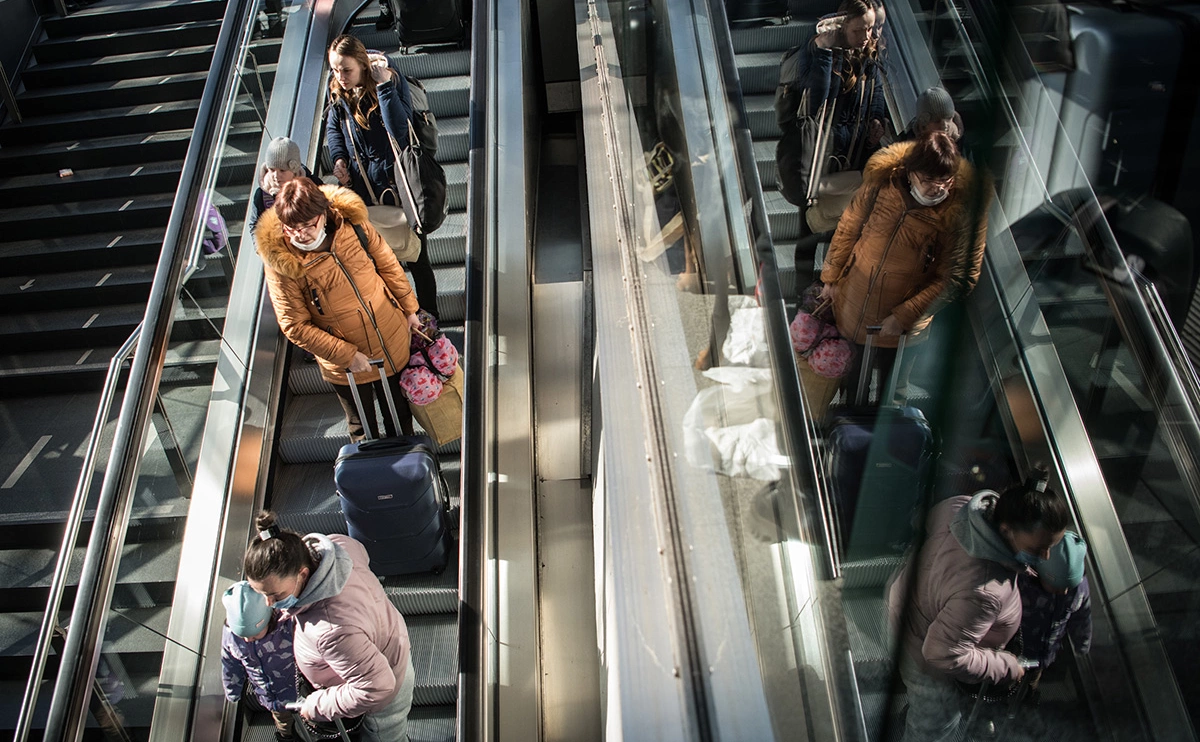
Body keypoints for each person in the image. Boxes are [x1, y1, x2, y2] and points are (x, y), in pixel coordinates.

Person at [887, 476, 1072, 742]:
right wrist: (1006, 667)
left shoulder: (961, 507)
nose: (1045, 557)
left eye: (1051, 547)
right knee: (935, 724)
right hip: (919, 647)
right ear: (1007, 530)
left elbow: (926, 521)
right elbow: (942, 654)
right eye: (1038, 548)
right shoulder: (984, 592)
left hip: (905, 600)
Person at [819, 130, 988, 402]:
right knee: (850, 383)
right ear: (910, 173)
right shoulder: (882, 184)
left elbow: (959, 277)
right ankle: (847, 435)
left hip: (901, 327)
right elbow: (849, 226)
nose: (938, 188)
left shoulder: (963, 213)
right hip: (854, 304)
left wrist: (904, 316)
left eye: (945, 181)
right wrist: (830, 277)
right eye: (929, 180)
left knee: (890, 394)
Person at [256, 178, 421, 441]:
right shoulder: (281, 262)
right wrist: (347, 355)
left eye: (307, 226)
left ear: (323, 215)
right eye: (291, 229)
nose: (299, 235)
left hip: (391, 340)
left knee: (401, 420)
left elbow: (388, 265)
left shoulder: (353, 226)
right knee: (362, 431)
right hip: (346, 365)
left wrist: (410, 309)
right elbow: (293, 325)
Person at [243, 512, 416, 742]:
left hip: (385, 693)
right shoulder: (335, 545)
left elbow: (376, 687)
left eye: (275, 595)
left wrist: (316, 705)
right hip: (389, 641)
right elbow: (360, 553)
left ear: (302, 574)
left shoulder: (332, 630)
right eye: (262, 594)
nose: (269, 604)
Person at [324, 33, 439, 319]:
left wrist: (385, 85)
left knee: (416, 257)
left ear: (363, 65)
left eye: (346, 70)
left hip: (399, 185)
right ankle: (402, 320)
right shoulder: (339, 91)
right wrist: (339, 158)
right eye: (335, 70)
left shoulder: (390, 78)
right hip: (363, 191)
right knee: (381, 262)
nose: (340, 76)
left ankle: (431, 317)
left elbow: (399, 128)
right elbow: (333, 128)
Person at [775, 0, 887, 238]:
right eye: (859, 30)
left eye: (871, 28)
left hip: (850, 153)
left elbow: (876, 90)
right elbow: (816, 101)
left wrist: (877, 118)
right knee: (811, 229)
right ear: (842, 27)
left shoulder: (867, 53)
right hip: (818, 152)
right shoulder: (816, 50)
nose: (867, 36)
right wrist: (825, 52)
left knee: (845, 221)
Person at [1018, 530, 1092, 702]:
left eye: (1069, 586)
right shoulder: (1023, 582)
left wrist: (1082, 643)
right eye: (1057, 586)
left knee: (1029, 686)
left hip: (1041, 656)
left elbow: (1082, 615)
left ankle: (1024, 702)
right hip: (1012, 651)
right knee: (1003, 684)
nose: (1064, 592)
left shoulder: (1079, 590)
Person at [220, 581, 298, 741]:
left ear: (269, 619)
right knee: (285, 726)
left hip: (300, 690)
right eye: (243, 636)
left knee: (313, 722)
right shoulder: (231, 635)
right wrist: (232, 691)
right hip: (272, 698)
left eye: (255, 635)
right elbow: (230, 664)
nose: (248, 640)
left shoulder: (286, 625)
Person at [248, 137, 322, 231]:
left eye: (282, 170)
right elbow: (255, 225)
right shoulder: (262, 195)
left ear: (294, 170)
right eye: (272, 170)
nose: (276, 176)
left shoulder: (313, 185)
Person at [897, 86, 964, 143]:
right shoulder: (905, 148)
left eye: (949, 118)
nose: (944, 126)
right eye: (937, 121)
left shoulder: (963, 142)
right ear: (923, 124)